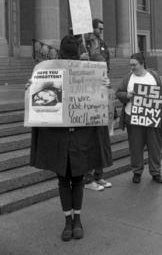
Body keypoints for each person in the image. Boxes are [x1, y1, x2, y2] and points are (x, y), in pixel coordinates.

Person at [29, 34, 112, 241]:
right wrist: (30, 89)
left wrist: (104, 85)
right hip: (61, 136)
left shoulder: (90, 73)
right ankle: (70, 221)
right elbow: (42, 103)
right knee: (68, 180)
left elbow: (100, 103)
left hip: (79, 135)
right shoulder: (47, 72)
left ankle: (76, 220)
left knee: (73, 179)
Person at [116, 52, 162, 184]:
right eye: (130, 65)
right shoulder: (128, 78)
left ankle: (155, 172)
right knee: (135, 146)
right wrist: (127, 95)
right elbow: (119, 93)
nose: (132, 67)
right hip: (133, 118)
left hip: (152, 118)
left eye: (134, 64)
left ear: (142, 63)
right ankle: (137, 172)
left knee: (155, 146)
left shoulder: (154, 76)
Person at [82, 18, 113, 191]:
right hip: (87, 96)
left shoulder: (102, 44)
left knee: (102, 137)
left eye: (102, 29)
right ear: (92, 29)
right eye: (98, 29)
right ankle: (88, 179)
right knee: (89, 139)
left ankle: (99, 176)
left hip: (101, 91)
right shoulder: (83, 44)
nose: (101, 31)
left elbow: (105, 65)